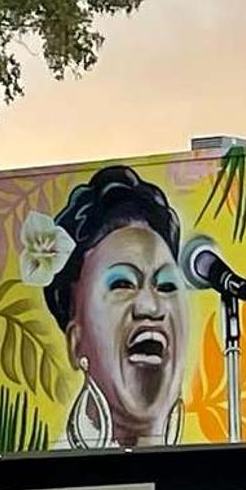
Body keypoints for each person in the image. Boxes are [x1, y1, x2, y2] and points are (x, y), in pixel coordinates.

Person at [42, 165, 190, 449]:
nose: (150, 306)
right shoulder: (61, 477)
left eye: (167, 285)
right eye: (123, 283)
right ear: (76, 342)